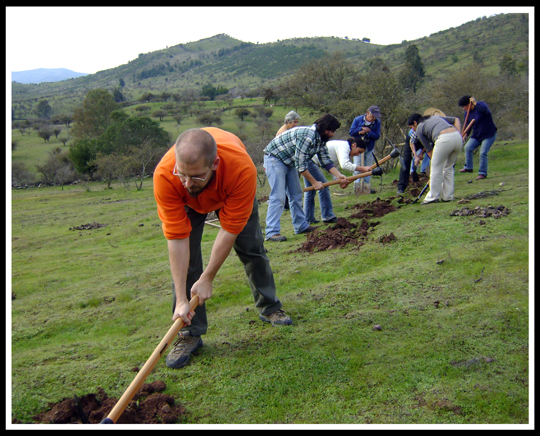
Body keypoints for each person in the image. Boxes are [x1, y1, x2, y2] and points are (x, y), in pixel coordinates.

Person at [153, 127, 293, 369]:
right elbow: (176, 239)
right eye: (182, 174)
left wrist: (208, 277)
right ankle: (190, 334)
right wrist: (181, 299)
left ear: (214, 164)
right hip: (189, 206)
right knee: (189, 265)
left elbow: (229, 230)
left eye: (195, 176)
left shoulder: (241, 169)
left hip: (231, 192)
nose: (187, 183)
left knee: (253, 250)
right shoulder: (167, 176)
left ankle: (269, 306)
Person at [263, 114, 348, 242]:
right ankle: (271, 232)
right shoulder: (307, 136)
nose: (333, 134)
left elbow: (325, 160)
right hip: (275, 159)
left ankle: (301, 226)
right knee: (278, 196)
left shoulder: (320, 139)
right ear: (325, 129)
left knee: (296, 194)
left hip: (289, 161)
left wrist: (339, 175)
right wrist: (314, 183)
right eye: (332, 131)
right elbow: (301, 165)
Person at [305, 137, 370, 222]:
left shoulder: (343, 147)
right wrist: (362, 168)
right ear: (354, 145)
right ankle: (327, 216)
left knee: (311, 191)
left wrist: (338, 180)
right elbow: (345, 165)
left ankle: (308, 219)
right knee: (323, 186)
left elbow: (333, 167)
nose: (358, 154)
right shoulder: (344, 146)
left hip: (309, 161)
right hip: (310, 162)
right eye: (359, 151)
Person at [407, 113, 462, 204]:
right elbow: (456, 119)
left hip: (444, 139)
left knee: (436, 168)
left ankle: (432, 197)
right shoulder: (435, 117)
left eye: (411, 127)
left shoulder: (419, 128)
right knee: (448, 167)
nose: (412, 129)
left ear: (415, 123)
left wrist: (435, 162)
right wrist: (459, 135)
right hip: (457, 138)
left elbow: (428, 149)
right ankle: (448, 196)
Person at [457, 95, 498, 180]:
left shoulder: (480, 106)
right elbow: (468, 126)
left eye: (464, 106)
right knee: (468, 148)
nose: (463, 108)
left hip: (489, 134)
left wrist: (475, 103)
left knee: (483, 153)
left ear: (469, 104)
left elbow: (485, 110)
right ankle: (469, 167)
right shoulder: (467, 114)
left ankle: (482, 173)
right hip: (477, 135)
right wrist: (465, 135)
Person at [348, 105, 382, 194]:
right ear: (367, 113)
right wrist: (360, 129)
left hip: (369, 147)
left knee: (368, 167)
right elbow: (351, 132)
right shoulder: (358, 120)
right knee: (357, 167)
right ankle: (357, 187)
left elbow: (377, 136)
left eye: (375, 116)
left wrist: (369, 132)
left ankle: (366, 187)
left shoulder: (377, 122)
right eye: (372, 116)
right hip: (358, 149)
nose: (374, 118)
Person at [276, 111, 301, 210]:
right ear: (288, 121)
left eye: (297, 122)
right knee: (287, 184)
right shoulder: (283, 132)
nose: (296, 125)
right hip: (283, 161)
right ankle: (286, 204)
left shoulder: (288, 130)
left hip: (289, 160)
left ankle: (288, 204)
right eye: (294, 122)